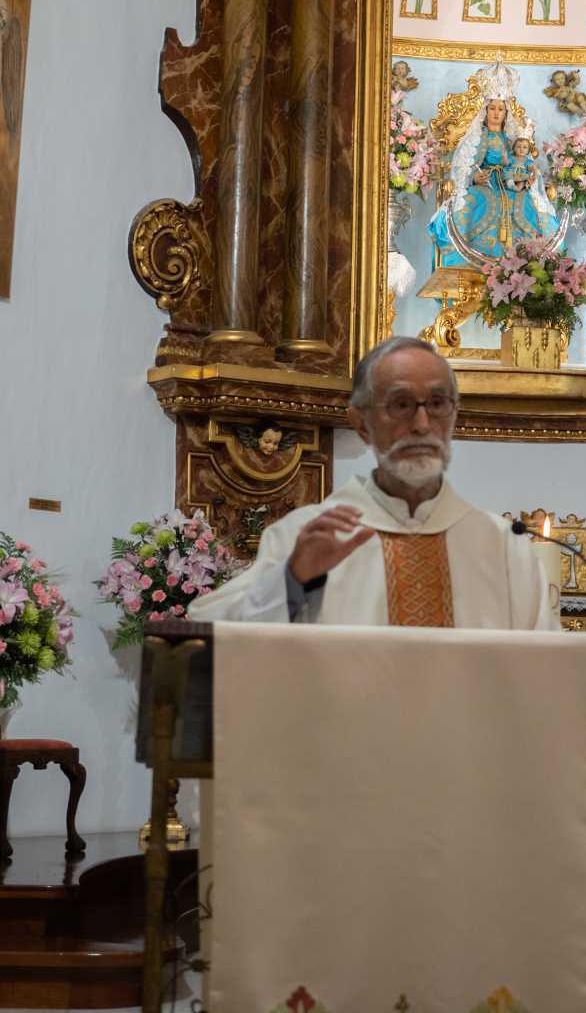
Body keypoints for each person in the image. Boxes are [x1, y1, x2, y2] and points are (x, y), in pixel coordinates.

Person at [192, 336, 556, 629]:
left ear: (455, 413)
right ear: (361, 423)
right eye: (401, 405)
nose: (422, 425)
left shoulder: (504, 549)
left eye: (438, 403)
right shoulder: (305, 539)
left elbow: (544, 675)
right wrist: (294, 580)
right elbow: (211, 630)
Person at [428, 90, 560, 266]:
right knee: (478, 200)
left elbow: (524, 161)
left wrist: (527, 177)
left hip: (510, 182)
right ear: (485, 111)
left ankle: (526, 263)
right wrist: (475, 177)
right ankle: (473, 262)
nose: (496, 113)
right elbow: (464, 166)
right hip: (486, 183)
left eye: (501, 109)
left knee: (528, 202)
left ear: (506, 113)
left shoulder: (512, 138)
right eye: (492, 108)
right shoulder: (477, 137)